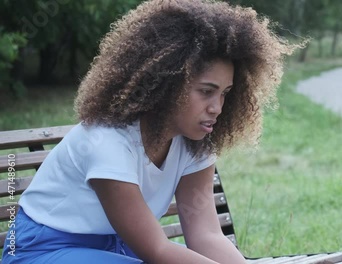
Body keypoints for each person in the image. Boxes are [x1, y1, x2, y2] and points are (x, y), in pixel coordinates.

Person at [1, 0, 297, 263]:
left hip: (119, 251)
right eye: (206, 91)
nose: (217, 107)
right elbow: (156, 250)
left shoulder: (197, 141)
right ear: (167, 84)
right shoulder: (107, 141)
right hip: (43, 251)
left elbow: (206, 236)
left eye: (225, 93)